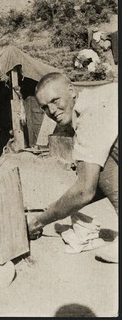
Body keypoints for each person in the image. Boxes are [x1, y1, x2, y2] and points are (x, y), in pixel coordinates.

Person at [28, 73, 118, 263]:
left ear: (71, 90)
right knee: (95, 162)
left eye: (55, 100)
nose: (51, 110)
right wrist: (55, 208)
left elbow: (85, 191)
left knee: (100, 162)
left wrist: (39, 221)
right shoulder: (97, 97)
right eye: (45, 107)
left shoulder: (91, 113)